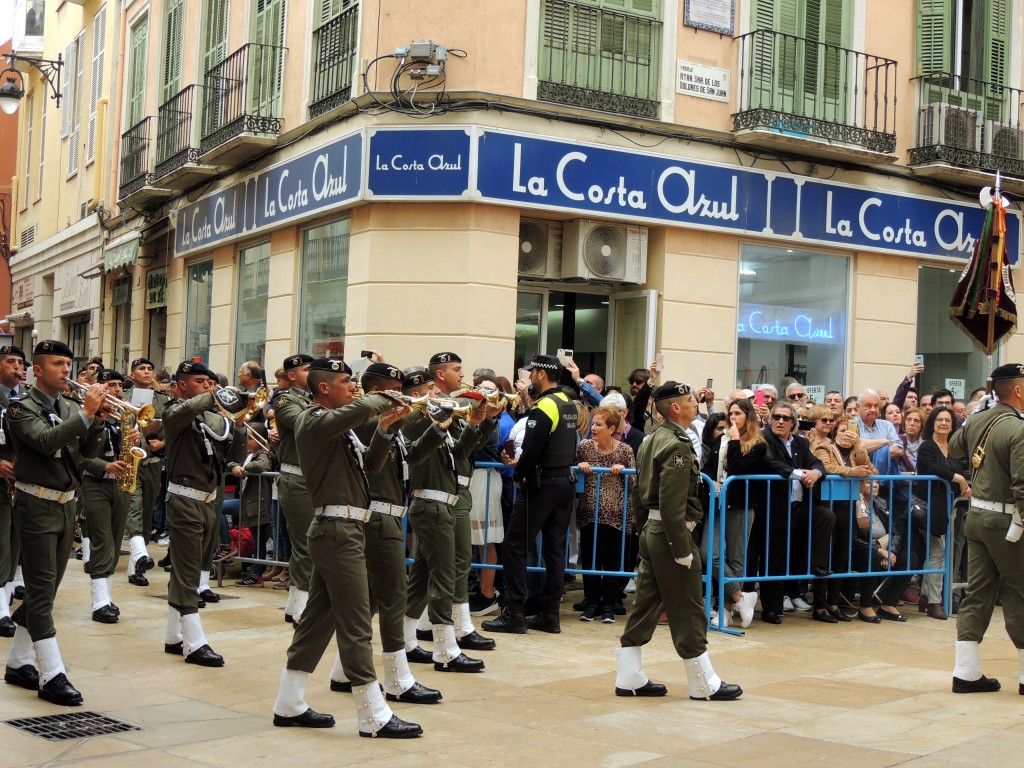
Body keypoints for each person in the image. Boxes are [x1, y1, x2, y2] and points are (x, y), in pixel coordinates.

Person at [271, 357, 423, 738]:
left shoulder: (340, 429)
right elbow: (360, 407)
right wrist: (381, 398)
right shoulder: (313, 419)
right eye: (345, 381)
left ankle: (288, 703)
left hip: (347, 529)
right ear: (324, 388)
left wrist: (386, 430)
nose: (352, 387)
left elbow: (371, 466)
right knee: (356, 624)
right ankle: (372, 714)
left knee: (318, 619)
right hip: (336, 529)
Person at [614, 381, 742, 701]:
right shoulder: (676, 444)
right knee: (688, 606)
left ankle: (629, 675)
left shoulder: (651, 440)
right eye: (689, 399)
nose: (694, 402)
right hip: (672, 535)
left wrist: (647, 534)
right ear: (674, 408)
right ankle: (703, 682)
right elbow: (672, 506)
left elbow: (642, 501)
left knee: (646, 604)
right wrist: (681, 548)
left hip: (653, 534)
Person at [327, 362, 445, 705]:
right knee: (394, 598)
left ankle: (342, 671)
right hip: (379, 516)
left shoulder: (384, 422)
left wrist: (439, 428)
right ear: (379, 392)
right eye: (395, 389)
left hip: (389, 516)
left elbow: (413, 456)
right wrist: (422, 407)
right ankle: (398, 680)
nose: (401, 394)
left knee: (376, 600)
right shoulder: (364, 421)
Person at [3, 340, 107, 705]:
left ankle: (18, 664)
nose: (67, 370)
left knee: (44, 591)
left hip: (66, 506)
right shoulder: (19, 409)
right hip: (35, 505)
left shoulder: (68, 406)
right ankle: (52, 674)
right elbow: (45, 442)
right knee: (43, 591)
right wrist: (84, 416)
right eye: (58, 364)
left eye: (68, 363)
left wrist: (96, 423)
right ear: (38, 370)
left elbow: (82, 455)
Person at [402, 361, 491, 671]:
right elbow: (419, 439)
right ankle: (446, 650)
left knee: (424, 576)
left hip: (442, 503)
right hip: (432, 503)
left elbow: (459, 453)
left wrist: (478, 422)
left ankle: (407, 640)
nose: (435, 395)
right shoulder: (415, 418)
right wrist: (437, 415)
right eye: (428, 391)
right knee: (443, 576)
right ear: (415, 394)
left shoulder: (437, 419)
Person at [484, 354, 578, 635]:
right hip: (564, 481)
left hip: (542, 484)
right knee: (554, 550)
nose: (530, 378)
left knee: (515, 545)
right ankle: (550, 615)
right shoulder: (567, 403)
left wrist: (519, 474)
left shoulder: (546, 405)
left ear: (540, 374)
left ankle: (514, 613)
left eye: (532, 373)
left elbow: (533, 448)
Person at [161, 361, 246, 668]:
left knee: (196, 565)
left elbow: (235, 456)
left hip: (209, 500)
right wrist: (214, 398)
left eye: (210, 383)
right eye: (200, 382)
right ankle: (195, 642)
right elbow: (181, 413)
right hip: (185, 498)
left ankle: (173, 635)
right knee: (186, 571)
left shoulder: (213, 417)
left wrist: (238, 422)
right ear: (182, 385)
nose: (208, 387)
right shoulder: (175, 411)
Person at [947, 363, 1024, 694]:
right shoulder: (1019, 429)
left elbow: (954, 447)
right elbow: (1022, 484)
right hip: (1008, 522)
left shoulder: (981, 419)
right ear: (1018, 390)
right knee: (1019, 590)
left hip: (977, 517)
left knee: (978, 591)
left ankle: (966, 671)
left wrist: (974, 416)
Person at [430, 352, 498, 652]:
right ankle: (459, 627)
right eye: (457, 370)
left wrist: (485, 423)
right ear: (441, 374)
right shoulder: (439, 406)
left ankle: (421, 625)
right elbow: (454, 454)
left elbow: (468, 448)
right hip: (442, 491)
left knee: (437, 566)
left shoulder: (456, 404)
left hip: (457, 489)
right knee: (454, 564)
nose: (462, 374)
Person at [758, 402, 835, 624]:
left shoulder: (801, 442)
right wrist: (798, 474)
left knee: (825, 515)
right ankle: (771, 609)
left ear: (793, 423)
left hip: (800, 506)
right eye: (776, 417)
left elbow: (818, 463)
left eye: (785, 418)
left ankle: (817, 564)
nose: (780, 421)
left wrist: (816, 473)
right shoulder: (764, 438)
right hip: (775, 507)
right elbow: (770, 463)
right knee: (775, 558)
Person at [809, 410, 880, 623]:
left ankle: (833, 603)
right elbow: (825, 467)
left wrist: (858, 446)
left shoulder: (856, 452)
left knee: (841, 558)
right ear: (835, 432)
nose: (846, 435)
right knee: (825, 558)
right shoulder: (825, 448)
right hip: (828, 508)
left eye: (851, 432)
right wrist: (851, 472)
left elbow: (872, 471)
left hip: (849, 508)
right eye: (842, 431)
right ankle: (820, 606)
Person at [79, 370, 137, 624]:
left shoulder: (124, 417)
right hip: (96, 483)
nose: (116, 390)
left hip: (121, 485)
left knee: (114, 541)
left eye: (118, 386)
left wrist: (137, 441)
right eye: (110, 386)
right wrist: (104, 465)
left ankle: (107, 597)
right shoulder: (87, 415)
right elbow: (78, 454)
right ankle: (99, 602)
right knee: (102, 540)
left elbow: (137, 451)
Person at [575, 405, 635, 623]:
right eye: (593, 423)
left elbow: (634, 482)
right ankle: (591, 603)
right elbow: (574, 474)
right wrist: (579, 466)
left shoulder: (625, 450)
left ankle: (609, 604)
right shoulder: (585, 448)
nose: (593, 427)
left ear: (611, 428)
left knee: (612, 560)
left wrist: (623, 472)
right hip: (589, 512)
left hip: (617, 515)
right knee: (591, 560)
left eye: (599, 424)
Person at [707, 398, 762, 629]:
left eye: (738, 413)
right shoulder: (722, 439)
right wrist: (711, 481)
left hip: (741, 504)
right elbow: (708, 468)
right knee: (709, 553)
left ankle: (727, 610)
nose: (733, 418)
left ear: (748, 417)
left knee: (736, 557)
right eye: (731, 413)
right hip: (718, 504)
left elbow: (740, 470)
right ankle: (741, 597)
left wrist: (736, 441)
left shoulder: (758, 444)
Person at [917, 406, 970, 621]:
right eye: (939, 419)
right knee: (938, 553)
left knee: (942, 553)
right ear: (932, 422)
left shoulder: (956, 447)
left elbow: (965, 470)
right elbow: (930, 468)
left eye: (948, 420)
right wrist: (958, 479)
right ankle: (934, 601)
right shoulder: (926, 446)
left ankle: (925, 597)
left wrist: (966, 485)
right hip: (930, 507)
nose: (943, 423)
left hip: (951, 508)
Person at [273, 353, 316, 624]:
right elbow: (305, 422)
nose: (312, 374)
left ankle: (294, 604)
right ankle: (302, 606)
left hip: (313, 477)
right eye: (307, 370)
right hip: (296, 476)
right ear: (292, 376)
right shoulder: (286, 399)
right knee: (305, 543)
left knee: (310, 543)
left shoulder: (312, 401)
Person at [125, 357, 169, 588]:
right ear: (132, 374)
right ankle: (140, 553)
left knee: (146, 510)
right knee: (134, 507)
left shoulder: (162, 399)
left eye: (150, 369)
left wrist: (163, 443)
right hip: (129, 462)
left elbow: (171, 426)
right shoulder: (122, 397)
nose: (146, 371)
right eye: (141, 368)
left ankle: (136, 567)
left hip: (151, 463)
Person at [0, 344, 25, 638]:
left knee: (15, 543)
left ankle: (6, 597)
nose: (17, 367)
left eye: (20, 363)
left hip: (20, 482)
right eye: (10, 362)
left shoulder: (24, 400)